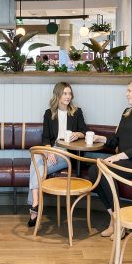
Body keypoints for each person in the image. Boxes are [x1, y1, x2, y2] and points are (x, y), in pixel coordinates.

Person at [85, 80, 132, 237]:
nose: (126, 94)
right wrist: (101, 138)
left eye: (129, 91)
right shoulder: (127, 113)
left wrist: (118, 156)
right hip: (124, 161)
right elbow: (116, 140)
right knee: (93, 170)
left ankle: (118, 223)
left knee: (104, 171)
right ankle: (115, 219)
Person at [27, 82, 90, 226]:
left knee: (35, 167)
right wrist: (49, 151)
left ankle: (34, 208)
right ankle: (36, 203)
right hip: (52, 150)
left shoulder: (76, 112)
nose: (68, 97)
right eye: (65, 93)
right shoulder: (49, 113)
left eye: (70, 93)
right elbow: (45, 137)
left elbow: (85, 131)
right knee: (36, 158)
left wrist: (77, 134)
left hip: (67, 152)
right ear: (58, 95)